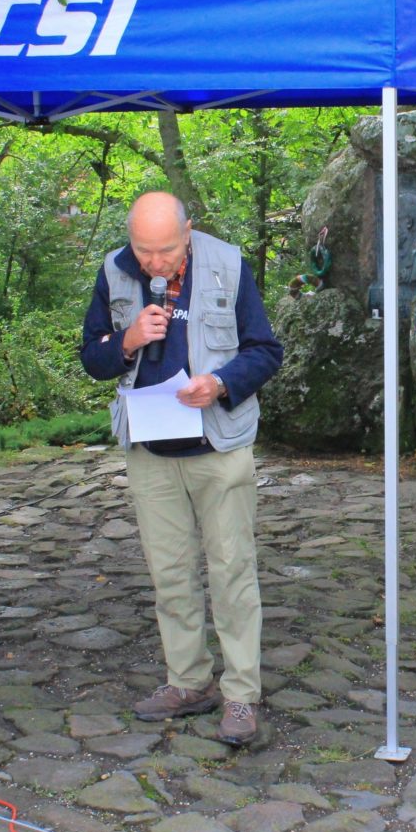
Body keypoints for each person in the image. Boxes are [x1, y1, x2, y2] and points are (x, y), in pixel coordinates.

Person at [80, 192, 283, 746]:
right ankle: (189, 682)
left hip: (219, 446)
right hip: (151, 450)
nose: (154, 263)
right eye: (143, 251)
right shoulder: (114, 271)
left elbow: (266, 351)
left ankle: (240, 694)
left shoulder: (228, 265)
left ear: (188, 231)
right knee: (169, 574)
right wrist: (126, 341)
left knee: (232, 572)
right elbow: (92, 358)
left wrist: (220, 383)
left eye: (165, 251)